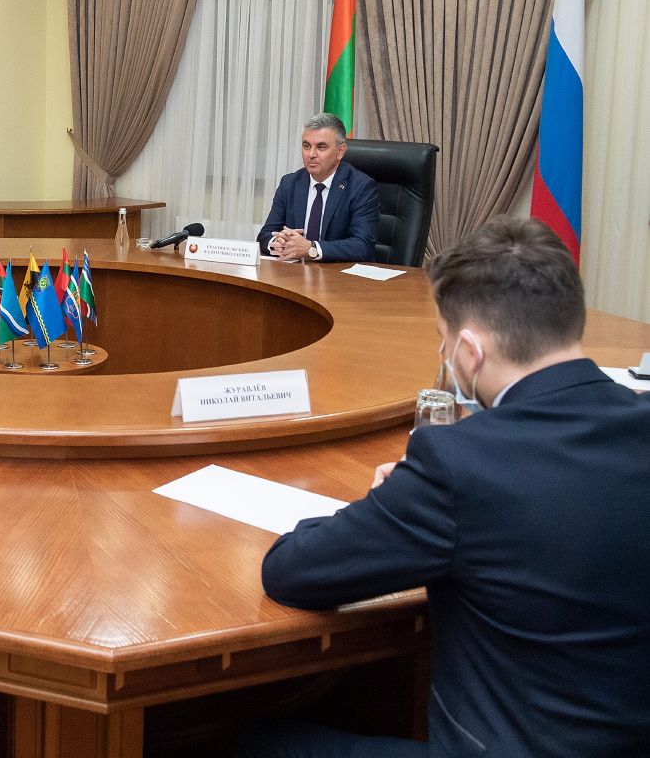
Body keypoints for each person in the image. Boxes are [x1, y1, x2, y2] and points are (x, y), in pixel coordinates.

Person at [239, 217, 650, 757]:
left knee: (254, 742)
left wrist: (392, 501)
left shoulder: (461, 463)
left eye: (444, 341)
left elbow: (290, 572)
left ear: (470, 352)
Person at [256, 113, 379, 262]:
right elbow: (265, 235)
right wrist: (278, 242)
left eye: (321, 147)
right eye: (306, 146)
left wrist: (311, 248)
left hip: (336, 273)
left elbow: (362, 245)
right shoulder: (290, 183)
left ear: (340, 151)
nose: (311, 154)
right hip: (295, 271)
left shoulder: (361, 187)